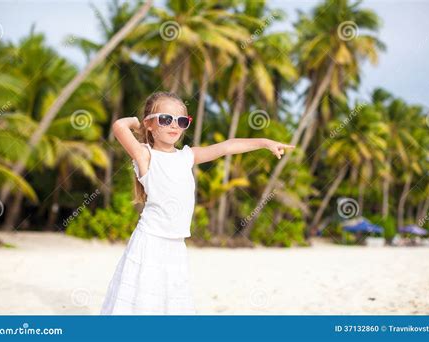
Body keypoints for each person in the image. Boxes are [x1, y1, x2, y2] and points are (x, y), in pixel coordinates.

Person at [100, 91, 295, 315]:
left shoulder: (187, 156)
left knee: (171, 298)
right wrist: (136, 124)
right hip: (150, 241)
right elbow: (118, 127)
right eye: (165, 119)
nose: (174, 125)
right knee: (142, 297)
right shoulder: (145, 155)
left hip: (176, 243)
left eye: (181, 121)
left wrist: (264, 142)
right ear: (151, 124)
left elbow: (227, 146)